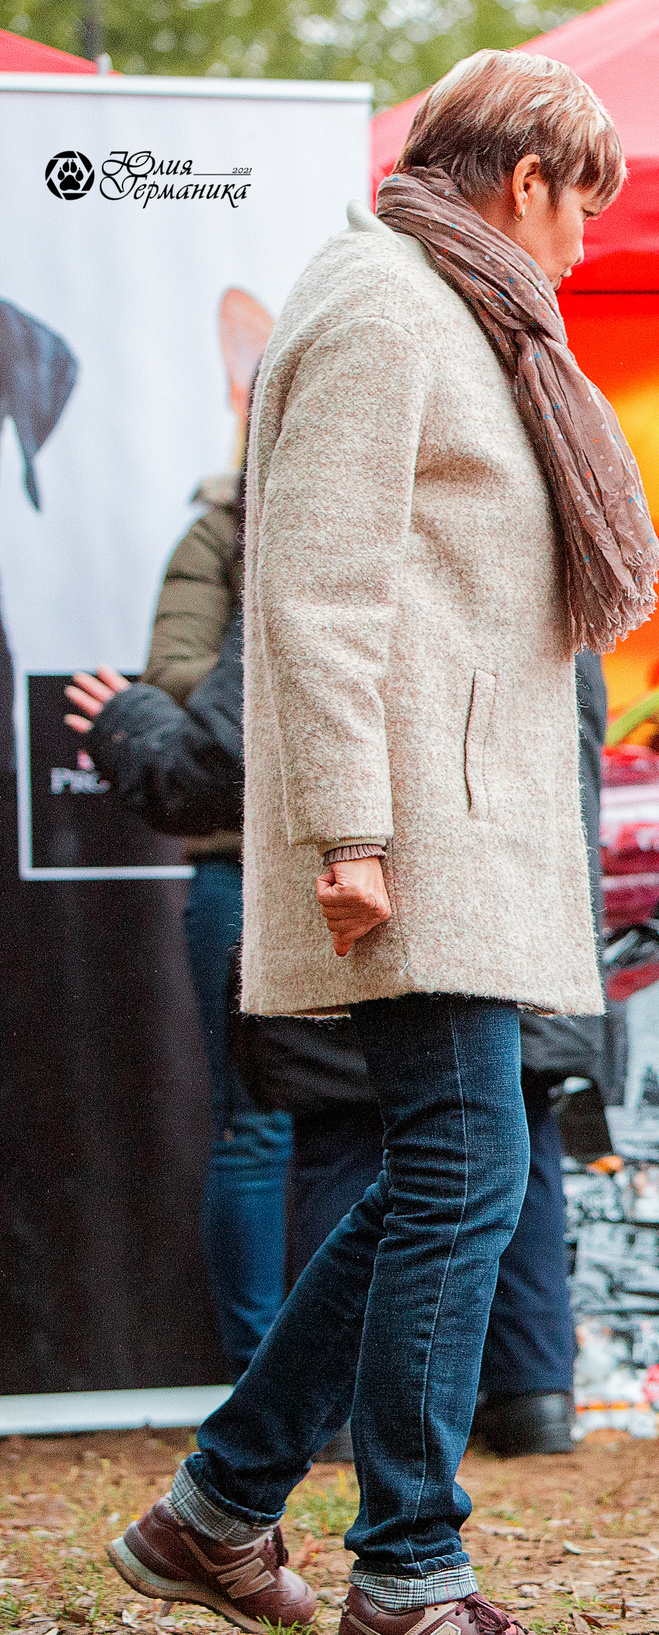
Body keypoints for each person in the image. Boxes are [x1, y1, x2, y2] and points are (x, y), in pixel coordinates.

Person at [103, 49, 657, 1635]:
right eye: (583, 202)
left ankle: (220, 1506)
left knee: (449, 1168)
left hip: (460, 819)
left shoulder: (456, 308)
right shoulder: (383, 302)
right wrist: (349, 825)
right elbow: (316, 593)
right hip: (410, 827)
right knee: (462, 1168)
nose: (588, 240)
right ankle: (408, 1571)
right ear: (522, 178)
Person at [65, 639, 603, 1458]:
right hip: (514, 904)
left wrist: (131, 722)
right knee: (498, 1149)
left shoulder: (335, 544)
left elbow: (221, 757)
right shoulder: (545, 546)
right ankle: (520, 1406)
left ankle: (315, 1434)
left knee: (375, 1154)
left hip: (379, 910)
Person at [143, 465, 295, 1376]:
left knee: (387, 1128)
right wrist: (309, 662)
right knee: (261, 1123)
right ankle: (265, 1378)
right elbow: (169, 677)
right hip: (244, 859)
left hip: (397, 860)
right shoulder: (224, 528)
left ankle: (370, 1377)